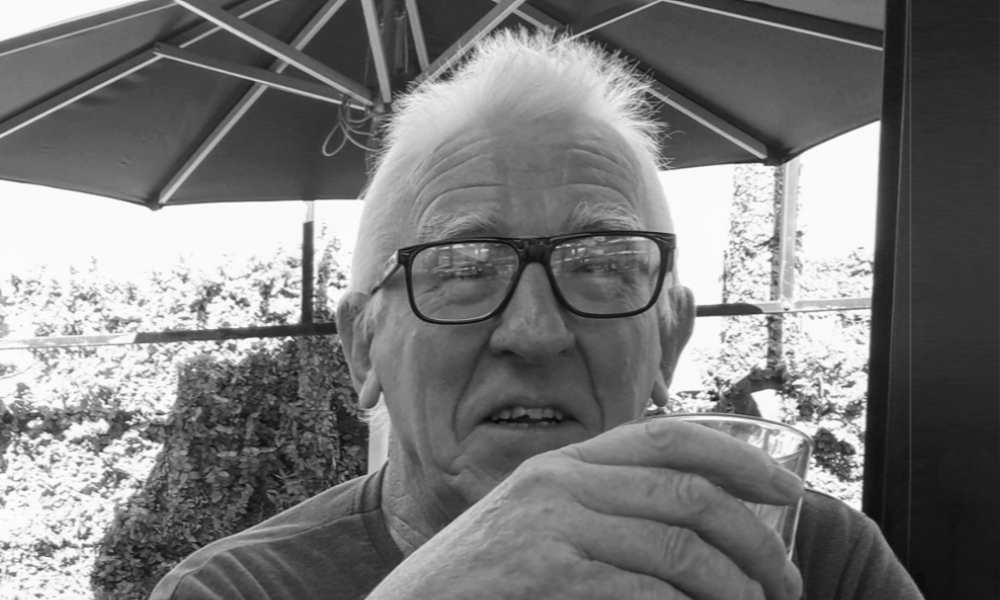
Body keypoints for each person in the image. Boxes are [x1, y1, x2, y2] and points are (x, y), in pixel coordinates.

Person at [150, 30, 923, 600]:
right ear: (363, 346)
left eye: (602, 267)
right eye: (463, 269)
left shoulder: (809, 557)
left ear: (668, 340)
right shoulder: (237, 590)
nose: (535, 332)